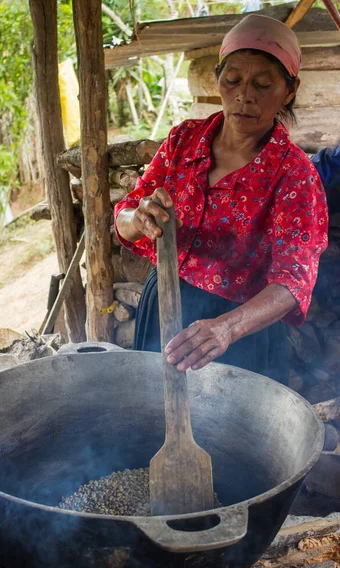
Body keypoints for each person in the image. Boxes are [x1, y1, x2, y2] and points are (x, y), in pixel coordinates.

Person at [115, 14, 328, 385]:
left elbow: (294, 282)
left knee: (233, 436)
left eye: (263, 84)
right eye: (233, 81)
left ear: (290, 91)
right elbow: (123, 218)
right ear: (218, 80)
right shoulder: (184, 140)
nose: (245, 95)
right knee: (152, 418)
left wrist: (227, 329)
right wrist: (139, 218)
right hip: (164, 301)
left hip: (240, 331)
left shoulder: (294, 175)